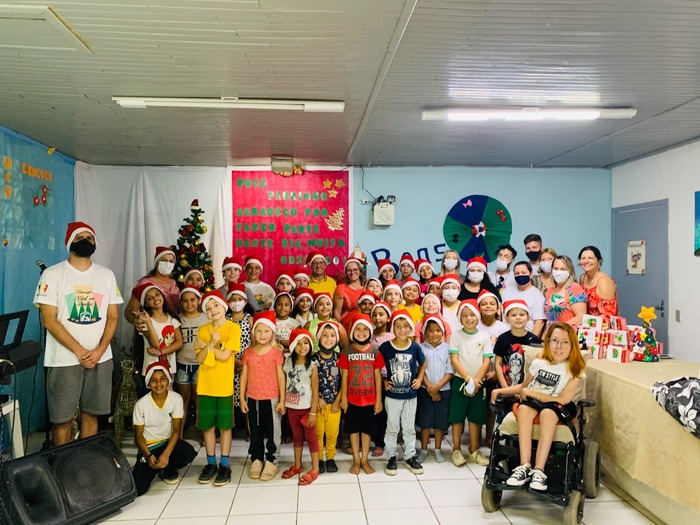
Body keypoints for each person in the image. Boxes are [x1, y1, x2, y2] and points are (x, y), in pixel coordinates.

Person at [34, 222, 122, 446]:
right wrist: (80, 351)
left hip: (100, 358)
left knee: (91, 414)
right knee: (62, 419)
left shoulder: (106, 275)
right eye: (79, 237)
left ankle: (84, 461)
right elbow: (48, 319)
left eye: (89, 238)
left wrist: (99, 350)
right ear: (69, 242)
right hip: (64, 360)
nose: (85, 241)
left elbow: (113, 316)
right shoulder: (52, 275)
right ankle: (63, 462)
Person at [503, 322, 586, 491]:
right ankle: (524, 466)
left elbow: (563, 399)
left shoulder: (574, 369)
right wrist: (499, 391)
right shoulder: (539, 362)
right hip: (534, 401)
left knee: (547, 413)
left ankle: (539, 470)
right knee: (523, 409)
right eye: (554, 340)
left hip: (557, 405)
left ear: (572, 346)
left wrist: (531, 393)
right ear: (547, 342)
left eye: (565, 342)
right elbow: (523, 387)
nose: (558, 346)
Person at [194, 291, 241, 486]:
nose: (212, 310)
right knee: (208, 427)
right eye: (207, 308)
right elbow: (199, 358)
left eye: (215, 305)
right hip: (205, 386)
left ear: (224, 306)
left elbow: (224, 356)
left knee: (225, 427)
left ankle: (224, 465)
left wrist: (209, 346)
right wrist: (212, 344)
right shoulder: (203, 330)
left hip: (224, 387)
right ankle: (211, 463)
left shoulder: (233, 328)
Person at [132, 362, 197, 495]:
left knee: (188, 453)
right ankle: (157, 466)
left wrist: (166, 455)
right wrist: (148, 456)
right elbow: (138, 436)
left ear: (168, 380)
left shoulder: (176, 399)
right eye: (153, 380)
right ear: (148, 383)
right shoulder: (141, 404)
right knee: (139, 488)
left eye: (162, 379)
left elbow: (176, 430)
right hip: (149, 447)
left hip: (168, 443)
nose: (159, 384)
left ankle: (167, 466)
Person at [239, 311, 286, 481]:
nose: (262, 334)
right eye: (259, 331)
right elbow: (244, 376)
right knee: (255, 430)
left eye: (266, 331)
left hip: (272, 398)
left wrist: (282, 400)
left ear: (272, 332)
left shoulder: (276, 352)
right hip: (253, 398)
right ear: (253, 332)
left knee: (273, 431)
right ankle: (257, 458)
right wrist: (242, 398)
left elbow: (281, 377)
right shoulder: (248, 352)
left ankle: (272, 460)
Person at [380, 310, 427, 476]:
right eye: (398, 326)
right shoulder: (385, 347)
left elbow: (423, 362)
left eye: (406, 326)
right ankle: (391, 456)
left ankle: (410, 456)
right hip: (392, 396)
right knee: (392, 427)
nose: (402, 330)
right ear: (393, 327)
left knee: (409, 427)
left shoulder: (414, 347)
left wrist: (419, 379)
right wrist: (384, 381)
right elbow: (377, 367)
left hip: (410, 396)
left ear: (411, 328)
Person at [448, 300, 492, 467]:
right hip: (460, 381)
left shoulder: (484, 336)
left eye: (472, 315)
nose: (469, 318)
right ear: (460, 318)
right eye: (464, 315)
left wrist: (476, 382)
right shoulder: (456, 336)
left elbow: (486, 361)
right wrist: (468, 380)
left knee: (476, 417)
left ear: (478, 316)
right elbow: (455, 359)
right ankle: (456, 450)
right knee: (457, 417)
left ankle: (474, 449)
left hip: (479, 383)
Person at [339, 314, 385, 475]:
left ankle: (365, 459)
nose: (361, 332)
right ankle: (356, 460)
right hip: (352, 400)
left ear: (370, 332)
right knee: (353, 430)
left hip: (370, 400)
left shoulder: (375, 352)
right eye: (358, 329)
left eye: (365, 329)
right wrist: (344, 398)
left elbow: (378, 377)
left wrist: (378, 400)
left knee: (367, 431)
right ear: (352, 331)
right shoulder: (346, 352)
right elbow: (344, 377)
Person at [281, 329, 321, 486]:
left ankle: (315, 468)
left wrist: (313, 412)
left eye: (305, 343)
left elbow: (315, 390)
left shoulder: (312, 365)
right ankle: (298, 465)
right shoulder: (287, 362)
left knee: (311, 438)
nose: (302, 346)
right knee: (297, 437)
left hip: (307, 409)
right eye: (298, 343)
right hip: (292, 408)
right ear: (292, 345)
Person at [417, 315, 454, 463]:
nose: (434, 334)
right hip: (425, 390)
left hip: (443, 390)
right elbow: (419, 370)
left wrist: (437, 388)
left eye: (438, 330)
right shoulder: (420, 348)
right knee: (425, 422)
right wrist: (430, 388)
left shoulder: (448, 348)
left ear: (443, 332)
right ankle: (424, 450)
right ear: (425, 332)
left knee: (440, 422)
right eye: (430, 330)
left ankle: (438, 449)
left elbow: (450, 371)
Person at [491, 299, 542, 403]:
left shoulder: (534, 340)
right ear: (507, 318)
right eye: (514, 315)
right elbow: (498, 364)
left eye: (522, 315)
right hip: (505, 386)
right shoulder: (502, 338)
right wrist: (505, 389)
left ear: (528, 318)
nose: (518, 318)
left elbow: (537, 367)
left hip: (527, 389)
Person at [176, 286, 208, 437]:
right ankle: (179, 435)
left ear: (199, 300)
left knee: (199, 400)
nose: (189, 304)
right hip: (183, 364)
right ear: (181, 302)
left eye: (193, 300)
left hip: (200, 365)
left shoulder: (206, 319)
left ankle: (204, 435)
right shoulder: (177, 319)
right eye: (185, 301)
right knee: (183, 400)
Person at [124, 246, 180, 331]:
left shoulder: (174, 283)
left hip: (175, 329)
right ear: (156, 262)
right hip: (153, 330)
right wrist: (135, 320)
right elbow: (129, 310)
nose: (168, 264)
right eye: (164, 260)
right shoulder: (145, 283)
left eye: (171, 261)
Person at [132, 283, 182, 376]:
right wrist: (148, 322)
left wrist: (161, 352)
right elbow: (155, 344)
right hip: (152, 368)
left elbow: (179, 343)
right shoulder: (144, 322)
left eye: (157, 294)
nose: (155, 299)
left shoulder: (172, 319)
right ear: (146, 304)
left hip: (169, 368)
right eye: (150, 298)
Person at [312, 321, 343, 474]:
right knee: (318, 433)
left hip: (334, 404)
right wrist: (317, 399)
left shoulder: (339, 358)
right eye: (324, 335)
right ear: (318, 338)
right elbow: (308, 382)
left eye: (332, 335)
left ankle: (330, 458)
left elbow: (344, 381)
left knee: (332, 433)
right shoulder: (313, 359)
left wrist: (338, 401)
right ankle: (318, 458)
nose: (328, 339)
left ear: (337, 339)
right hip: (317, 404)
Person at [225, 283, 254, 433]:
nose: (236, 303)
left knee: (246, 394)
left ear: (245, 301)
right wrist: (233, 360)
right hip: (228, 361)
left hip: (246, 363)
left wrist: (245, 362)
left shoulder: (250, 319)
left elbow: (254, 343)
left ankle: (249, 429)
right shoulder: (225, 320)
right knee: (229, 396)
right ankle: (229, 428)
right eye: (233, 299)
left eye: (239, 299)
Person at [369, 301, 393, 458]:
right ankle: (367, 439)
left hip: (386, 380)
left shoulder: (392, 337)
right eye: (374, 315)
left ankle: (380, 443)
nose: (377, 318)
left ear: (388, 317)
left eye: (381, 314)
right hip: (369, 380)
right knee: (370, 412)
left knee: (383, 412)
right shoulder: (368, 336)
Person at [502, 261, 546, 338]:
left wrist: (531, 340)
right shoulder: (506, 292)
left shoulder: (537, 295)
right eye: (517, 273)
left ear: (531, 274)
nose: (520, 275)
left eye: (523, 272)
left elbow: (539, 322)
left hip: (526, 339)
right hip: (506, 338)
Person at [545, 256, 587, 327]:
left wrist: (560, 329)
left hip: (567, 331)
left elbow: (581, 317)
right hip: (550, 331)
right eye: (556, 268)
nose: (559, 272)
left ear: (570, 271)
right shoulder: (550, 290)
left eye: (563, 269)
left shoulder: (575, 289)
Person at [578, 246, 619, 317]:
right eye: (583, 258)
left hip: (604, 323)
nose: (586, 261)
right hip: (585, 322)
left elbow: (609, 314)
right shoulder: (582, 278)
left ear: (599, 261)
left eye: (590, 258)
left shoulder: (604, 282)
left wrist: (587, 321)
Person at [333, 256, 366, 321]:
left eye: (355, 269)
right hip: (347, 324)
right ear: (346, 273)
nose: (352, 272)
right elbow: (337, 312)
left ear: (360, 271)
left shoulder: (367, 286)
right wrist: (340, 326)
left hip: (365, 323)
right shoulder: (341, 288)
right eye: (349, 270)